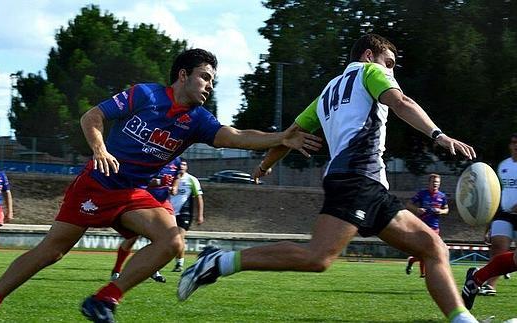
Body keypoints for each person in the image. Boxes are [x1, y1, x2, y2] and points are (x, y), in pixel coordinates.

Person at [0, 48, 322, 323]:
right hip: (96, 185)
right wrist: (99, 148)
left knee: (173, 241)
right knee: (51, 252)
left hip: (134, 193)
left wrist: (282, 137)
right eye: (205, 77)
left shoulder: (198, 119)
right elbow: (93, 116)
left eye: (212, 80)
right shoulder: (145, 95)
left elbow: (237, 135)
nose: (209, 86)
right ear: (183, 75)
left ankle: (105, 298)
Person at [177, 35, 478, 323]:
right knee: (317, 257)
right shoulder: (371, 71)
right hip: (357, 178)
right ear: (369, 55)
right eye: (389, 62)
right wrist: (438, 134)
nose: (391, 70)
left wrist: (266, 165)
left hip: (366, 184)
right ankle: (218, 261)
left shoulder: (328, 92)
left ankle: (463, 319)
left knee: (433, 247)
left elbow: (290, 135)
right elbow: (402, 103)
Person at [462, 133, 517, 309]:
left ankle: (476, 279)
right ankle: (481, 281)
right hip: (504, 213)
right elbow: (493, 194)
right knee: (499, 248)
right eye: (514, 142)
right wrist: (488, 224)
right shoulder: (503, 166)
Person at [110, 157, 182, 283]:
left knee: (170, 237)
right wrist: (160, 182)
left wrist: (174, 187)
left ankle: (154, 270)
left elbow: (176, 177)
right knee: (132, 239)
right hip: (143, 201)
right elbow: (139, 181)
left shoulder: (177, 160)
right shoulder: (154, 156)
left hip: (164, 201)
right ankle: (116, 270)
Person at [405, 173, 449, 277]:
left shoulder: (442, 196)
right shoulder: (422, 194)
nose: (435, 184)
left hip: (435, 228)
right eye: (433, 182)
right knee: (426, 249)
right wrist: (417, 209)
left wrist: (440, 211)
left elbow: (446, 209)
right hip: (422, 226)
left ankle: (412, 260)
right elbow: (408, 204)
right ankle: (423, 273)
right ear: (429, 183)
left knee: (431, 250)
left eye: (437, 182)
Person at [170, 158, 204, 272]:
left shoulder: (191, 179)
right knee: (168, 239)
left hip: (185, 213)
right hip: (169, 212)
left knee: (179, 238)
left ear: (187, 167)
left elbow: (199, 197)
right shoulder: (171, 178)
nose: (182, 166)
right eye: (180, 164)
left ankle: (179, 263)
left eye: (184, 164)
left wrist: (200, 215)